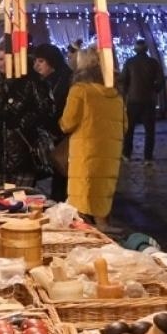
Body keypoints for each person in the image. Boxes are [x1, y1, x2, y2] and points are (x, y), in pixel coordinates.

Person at [59, 48, 125, 226]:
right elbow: (124, 125)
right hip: (108, 161)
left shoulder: (80, 91)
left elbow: (67, 123)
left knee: (81, 209)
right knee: (102, 209)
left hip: (85, 159)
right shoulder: (116, 96)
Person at [30, 43, 73, 203]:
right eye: (36, 61)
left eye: (41, 61)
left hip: (64, 137)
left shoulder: (66, 80)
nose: (36, 65)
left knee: (63, 178)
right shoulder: (46, 81)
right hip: (54, 136)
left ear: (52, 61)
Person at [120, 39, 162, 163]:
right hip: (149, 100)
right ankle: (148, 156)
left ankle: (127, 154)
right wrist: (154, 90)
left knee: (130, 129)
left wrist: (127, 92)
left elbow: (123, 80)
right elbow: (160, 81)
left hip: (133, 100)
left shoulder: (129, 62)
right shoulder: (153, 63)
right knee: (150, 130)